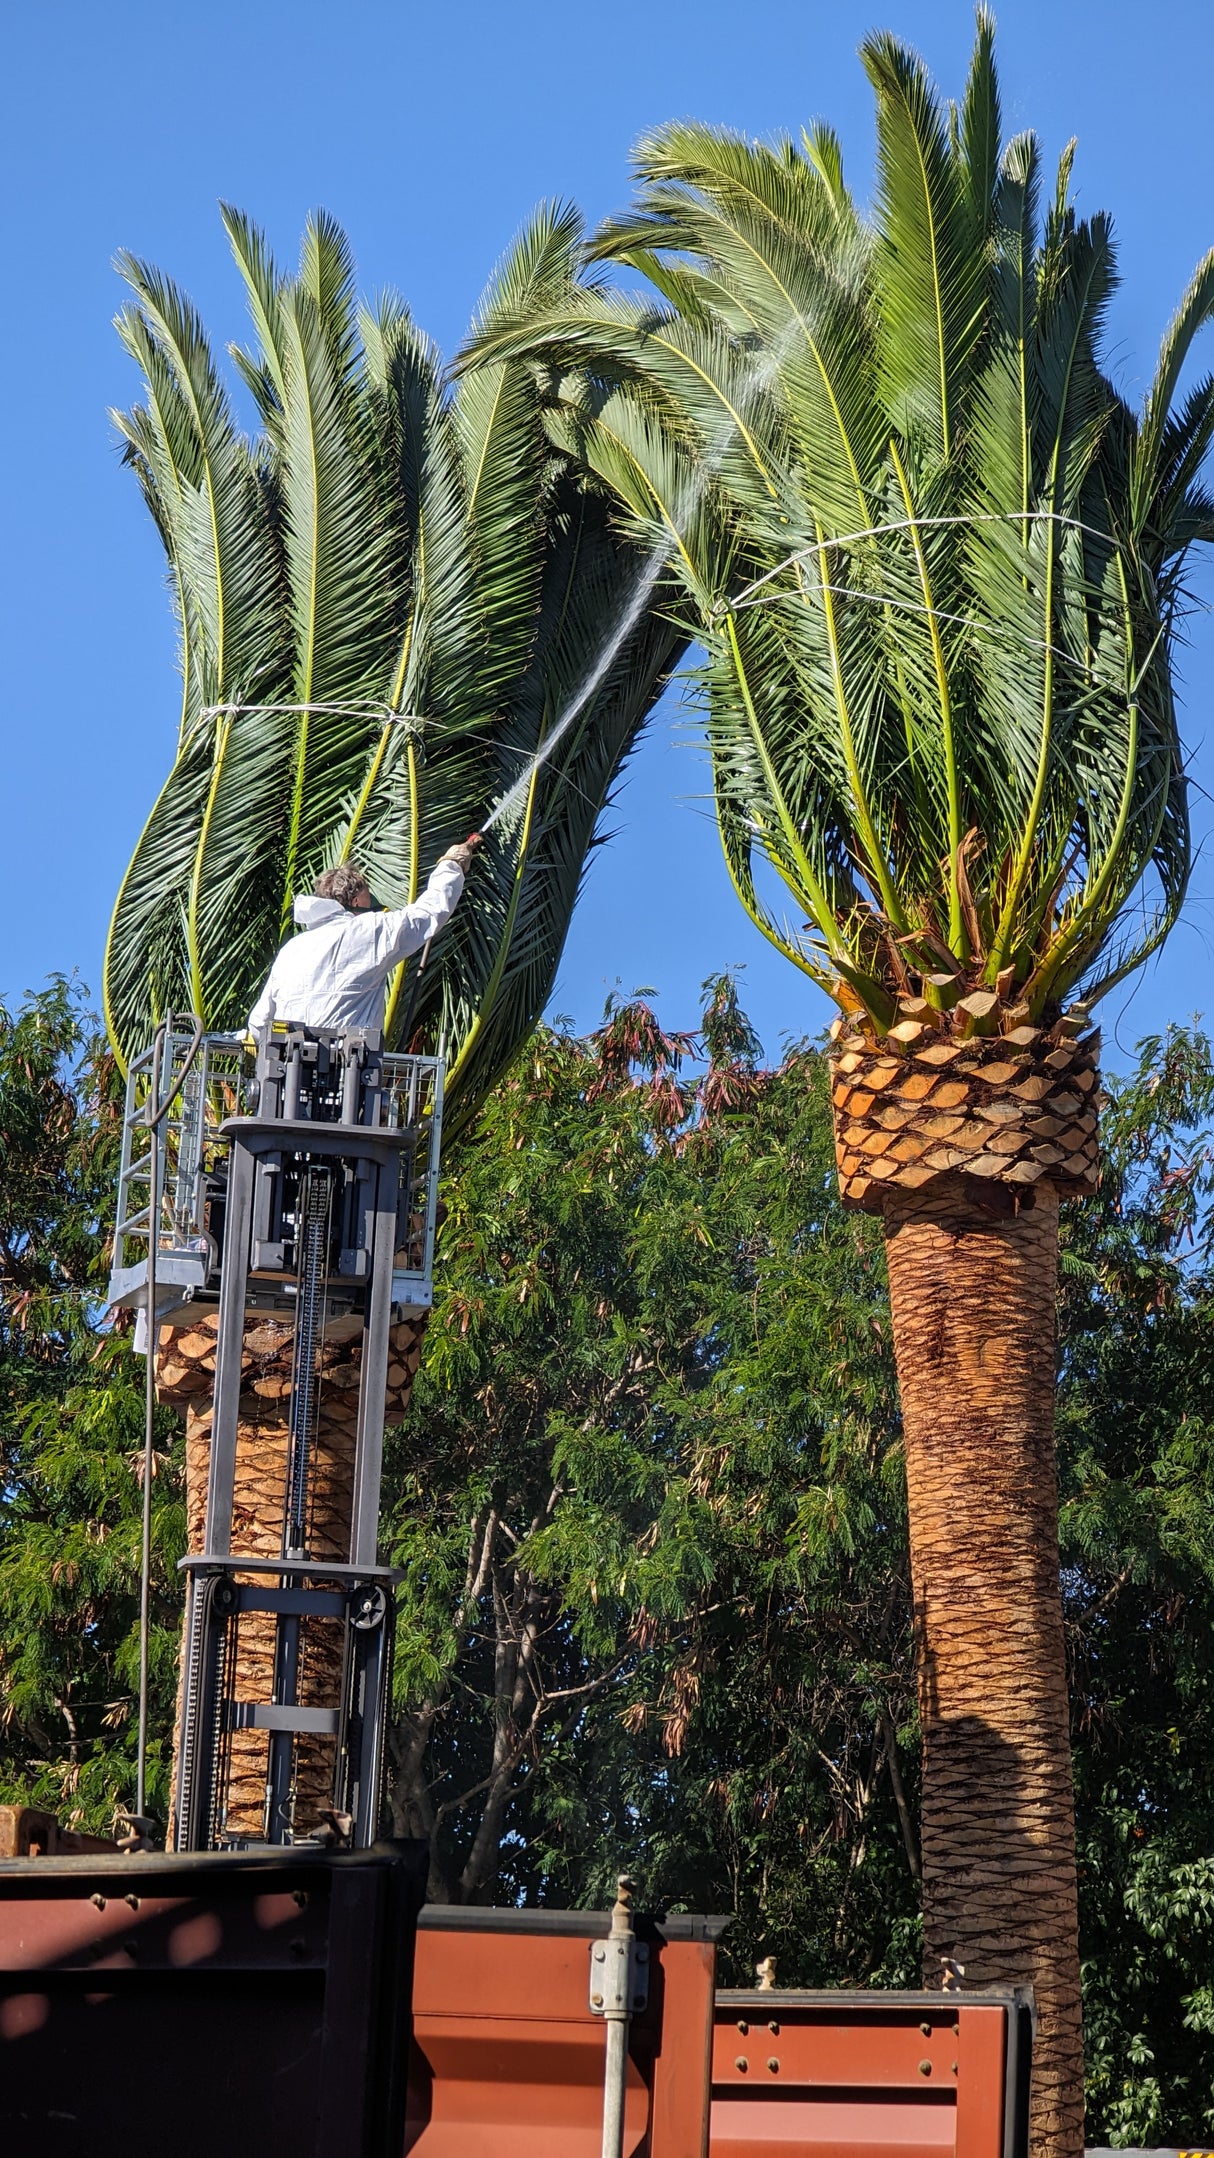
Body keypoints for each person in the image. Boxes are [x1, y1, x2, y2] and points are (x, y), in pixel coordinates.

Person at [248, 839, 480, 1036]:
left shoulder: (292, 949)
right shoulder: (369, 930)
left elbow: (259, 1022)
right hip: (348, 1075)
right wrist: (451, 865)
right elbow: (428, 912)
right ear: (357, 901)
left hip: (287, 1076)